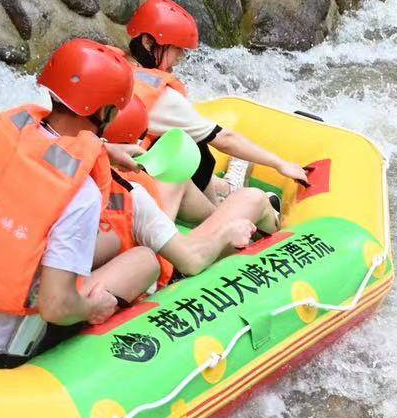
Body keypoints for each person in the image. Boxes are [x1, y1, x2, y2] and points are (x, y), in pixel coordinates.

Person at [0, 39, 161, 365]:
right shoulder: (81, 194)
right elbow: (56, 306)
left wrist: (102, 149)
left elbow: (47, 149)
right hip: (3, 343)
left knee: (108, 242)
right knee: (144, 260)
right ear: (104, 112)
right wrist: (92, 308)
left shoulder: (9, 129)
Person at [123, 0, 311, 221]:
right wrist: (280, 164)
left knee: (180, 143)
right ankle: (227, 210)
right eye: (176, 49)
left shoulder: (117, 65)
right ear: (147, 42)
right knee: (191, 145)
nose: (181, 57)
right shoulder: (163, 98)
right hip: (138, 187)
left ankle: (228, 189)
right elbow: (225, 139)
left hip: (124, 171)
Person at [98, 96, 271, 287]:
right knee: (253, 198)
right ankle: (267, 226)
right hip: (168, 265)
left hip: (126, 255)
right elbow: (191, 259)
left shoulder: (80, 165)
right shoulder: (133, 193)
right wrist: (225, 235)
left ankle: (222, 203)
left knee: (176, 180)